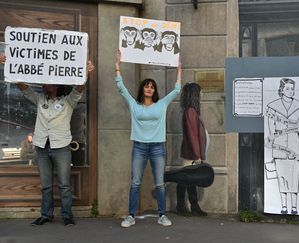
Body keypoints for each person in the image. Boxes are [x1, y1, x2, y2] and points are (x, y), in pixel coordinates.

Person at [1, 52, 95, 226]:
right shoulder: (39, 99)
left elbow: (79, 89)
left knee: (65, 185)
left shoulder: (68, 101)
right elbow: (25, 88)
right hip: (42, 147)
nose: (45, 83)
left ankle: (67, 216)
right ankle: (46, 215)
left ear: (57, 85)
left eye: (49, 81)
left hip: (61, 148)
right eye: (44, 81)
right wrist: (11, 67)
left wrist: (86, 73)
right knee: (46, 185)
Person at [115, 49, 181, 228]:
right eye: (147, 86)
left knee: (159, 183)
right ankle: (130, 216)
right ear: (142, 89)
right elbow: (121, 87)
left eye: (152, 86)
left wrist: (179, 68)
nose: (150, 88)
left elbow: (176, 90)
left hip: (158, 147)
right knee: (135, 182)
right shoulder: (134, 104)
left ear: (154, 90)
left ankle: (162, 215)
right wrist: (118, 67)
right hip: (139, 147)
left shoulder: (162, 104)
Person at [266, 78, 299, 215]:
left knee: (295, 177)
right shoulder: (272, 106)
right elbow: (271, 129)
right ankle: (283, 207)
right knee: (282, 177)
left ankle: (294, 207)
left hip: (294, 146)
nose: (291, 91)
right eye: (288, 88)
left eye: (292, 89)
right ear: (281, 90)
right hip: (280, 146)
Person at [176, 83, 208, 216]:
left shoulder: (191, 111)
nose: (202, 95)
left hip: (191, 152)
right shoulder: (191, 111)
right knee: (186, 180)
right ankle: (186, 206)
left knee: (187, 180)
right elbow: (192, 134)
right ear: (195, 94)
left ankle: (187, 206)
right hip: (191, 153)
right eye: (201, 92)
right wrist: (197, 155)